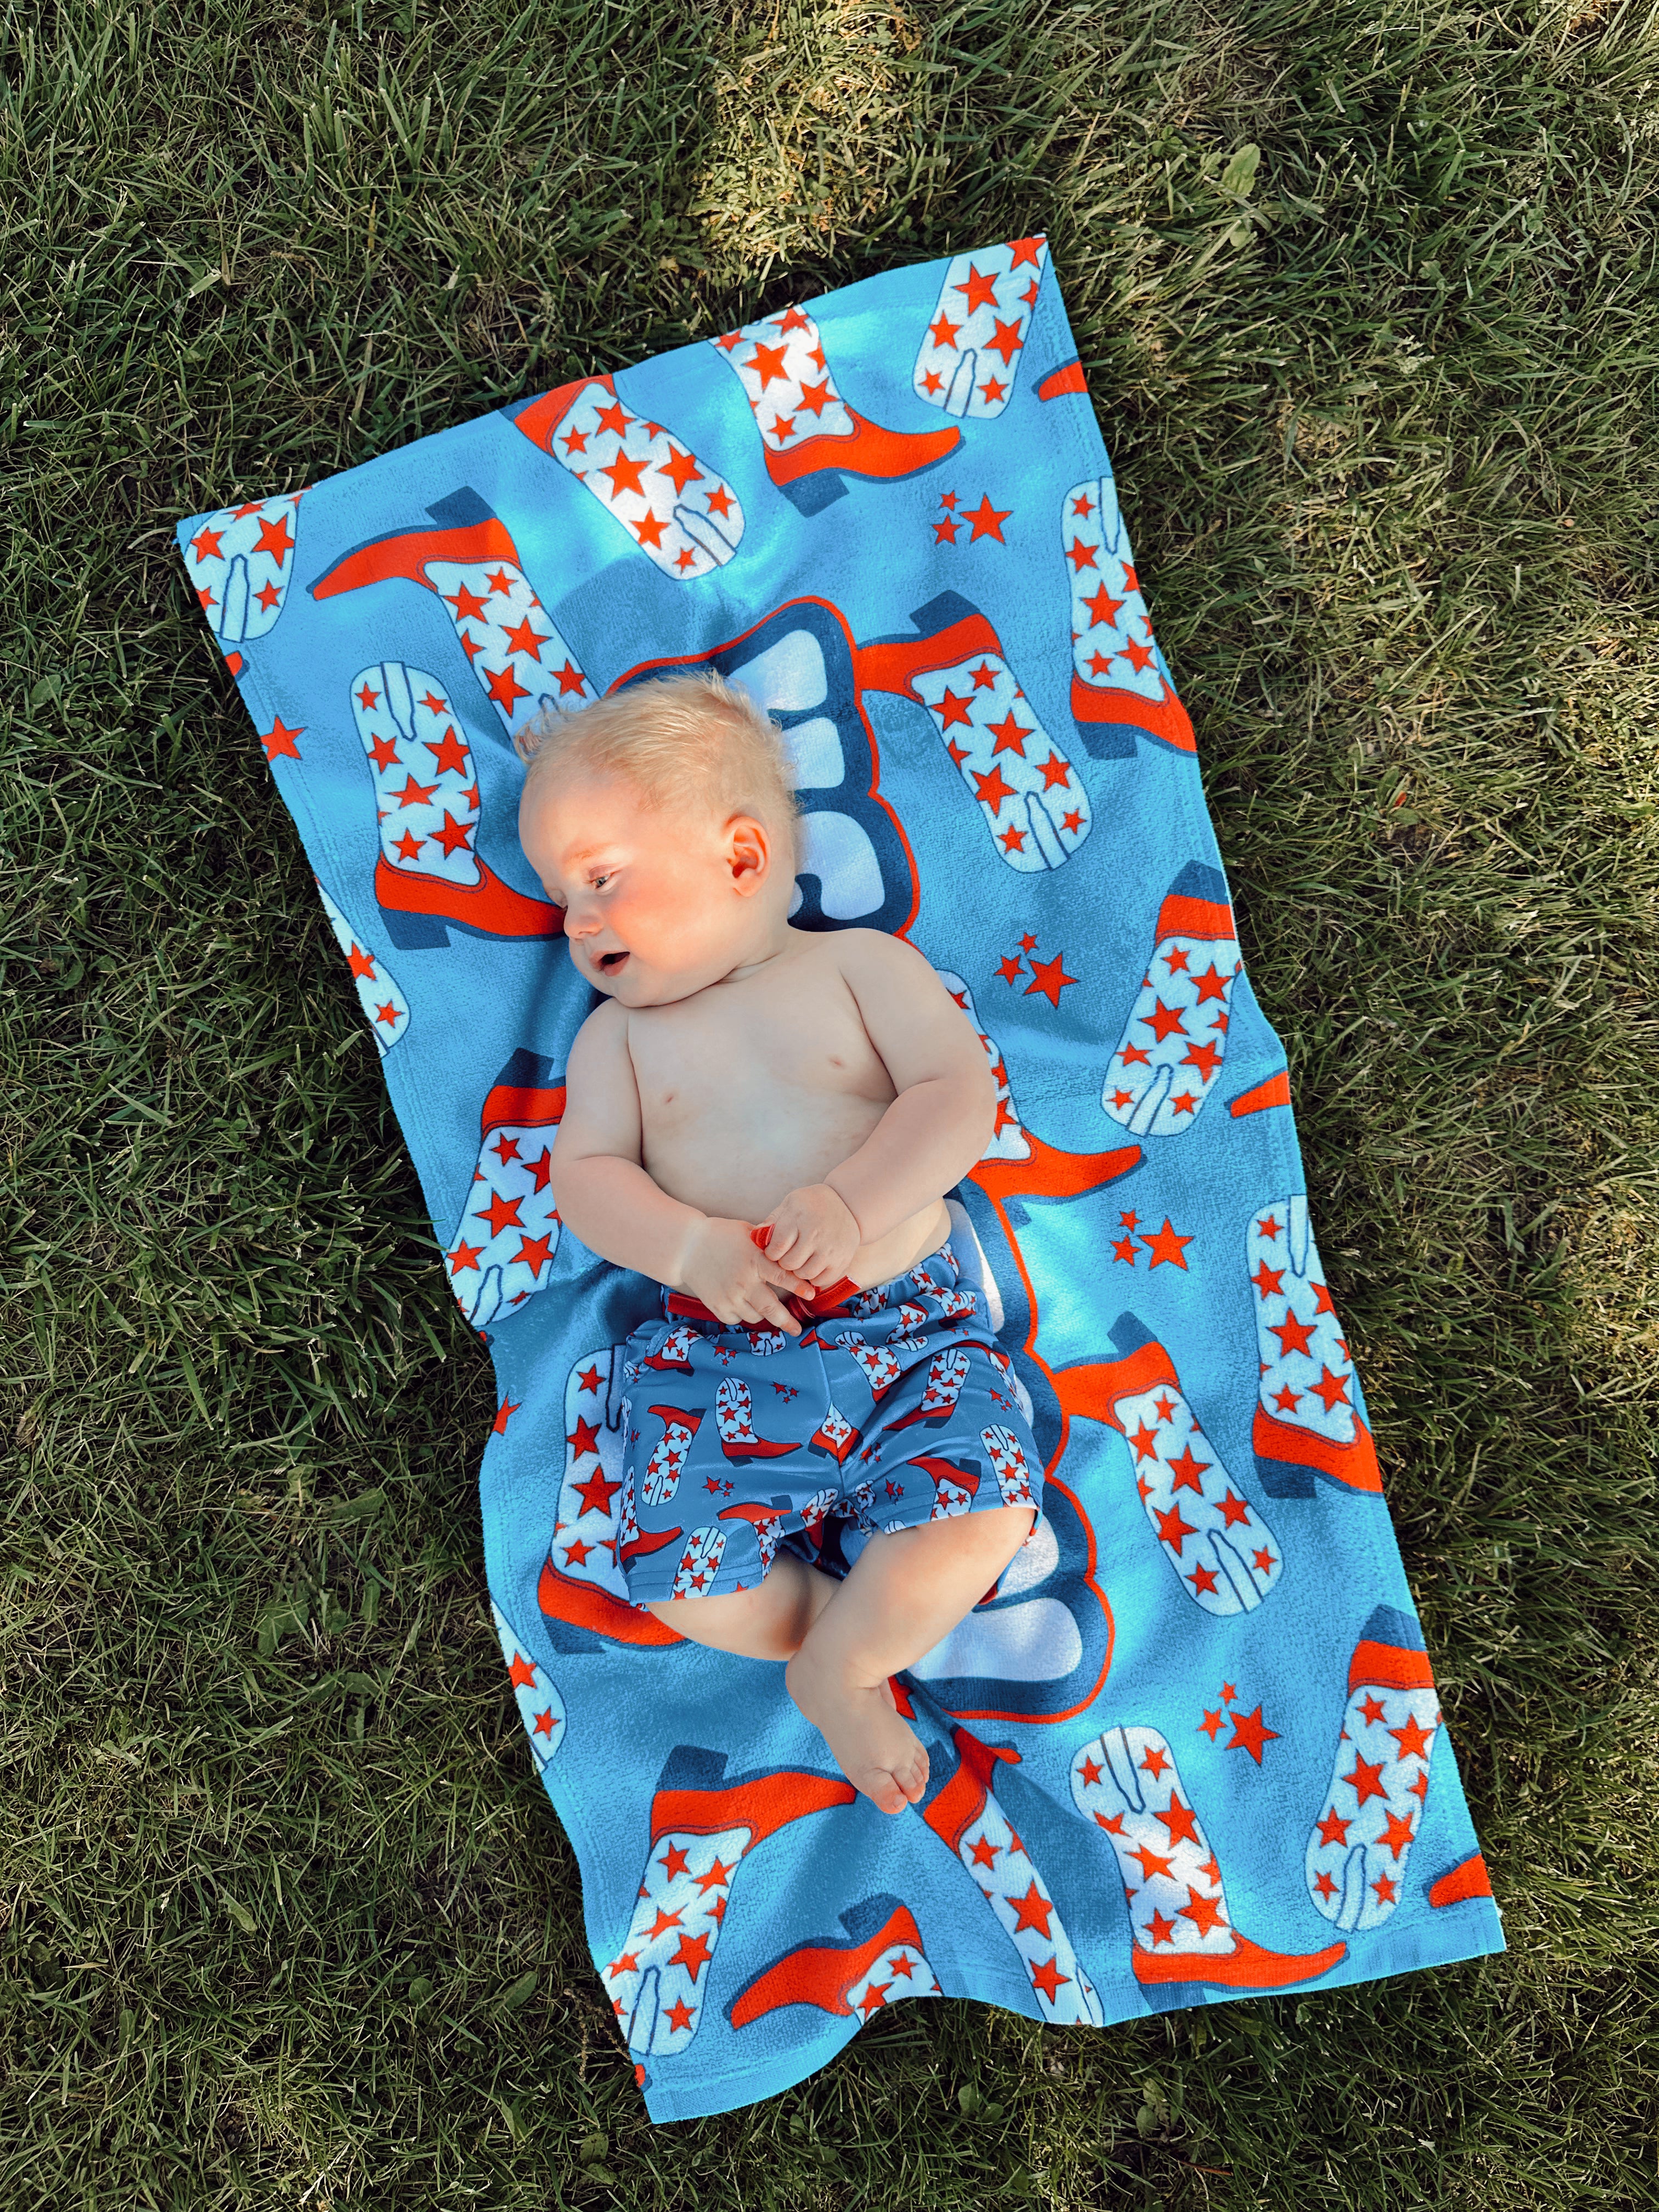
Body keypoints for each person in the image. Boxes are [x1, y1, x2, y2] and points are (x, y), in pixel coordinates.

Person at [516, 671, 1042, 1816]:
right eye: (560, 896)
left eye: (599, 879)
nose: (574, 921)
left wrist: (854, 1205)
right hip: (722, 1361)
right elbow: (586, 1184)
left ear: (743, 858)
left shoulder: (856, 970)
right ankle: (842, 1640)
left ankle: (844, 1665)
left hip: (910, 1340)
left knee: (990, 1501)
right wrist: (695, 1249)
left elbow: (959, 1100)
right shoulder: (619, 1044)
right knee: (682, 1582)